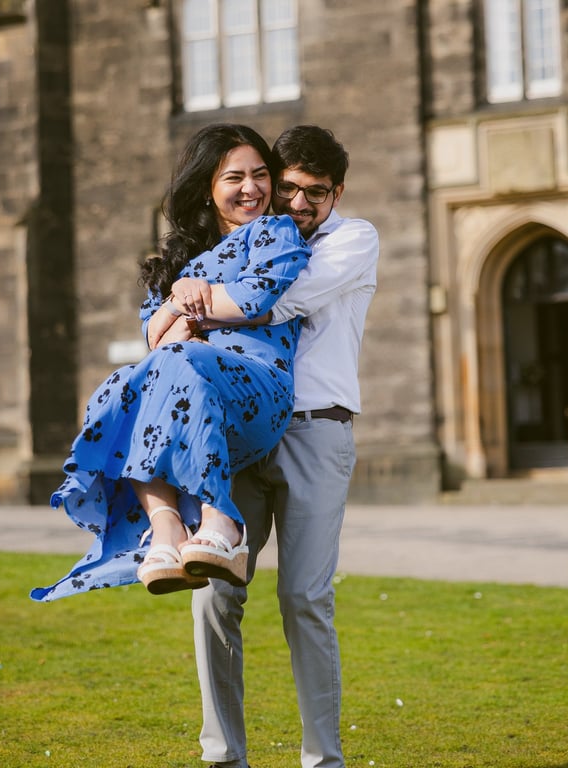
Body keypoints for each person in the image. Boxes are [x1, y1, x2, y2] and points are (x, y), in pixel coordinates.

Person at [30, 123, 311, 602]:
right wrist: (179, 302)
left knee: (176, 359)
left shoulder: (274, 231)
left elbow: (252, 297)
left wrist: (181, 307)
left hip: (257, 387)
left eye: (260, 174)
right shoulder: (177, 258)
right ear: (206, 188)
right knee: (122, 385)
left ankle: (222, 520)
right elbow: (153, 335)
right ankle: (166, 528)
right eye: (235, 178)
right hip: (191, 389)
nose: (252, 188)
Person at [188, 126, 379, 768]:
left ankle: (323, 760)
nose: (298, 203)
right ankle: (223, 756)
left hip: (315, 430)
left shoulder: (353, 239)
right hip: (243, 431)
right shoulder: (246, 240)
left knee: (303, 599)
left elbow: (276, 299)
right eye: (288, 187)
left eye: (315, 193)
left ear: (337, 193)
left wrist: (192, 301)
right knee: (213, 590)